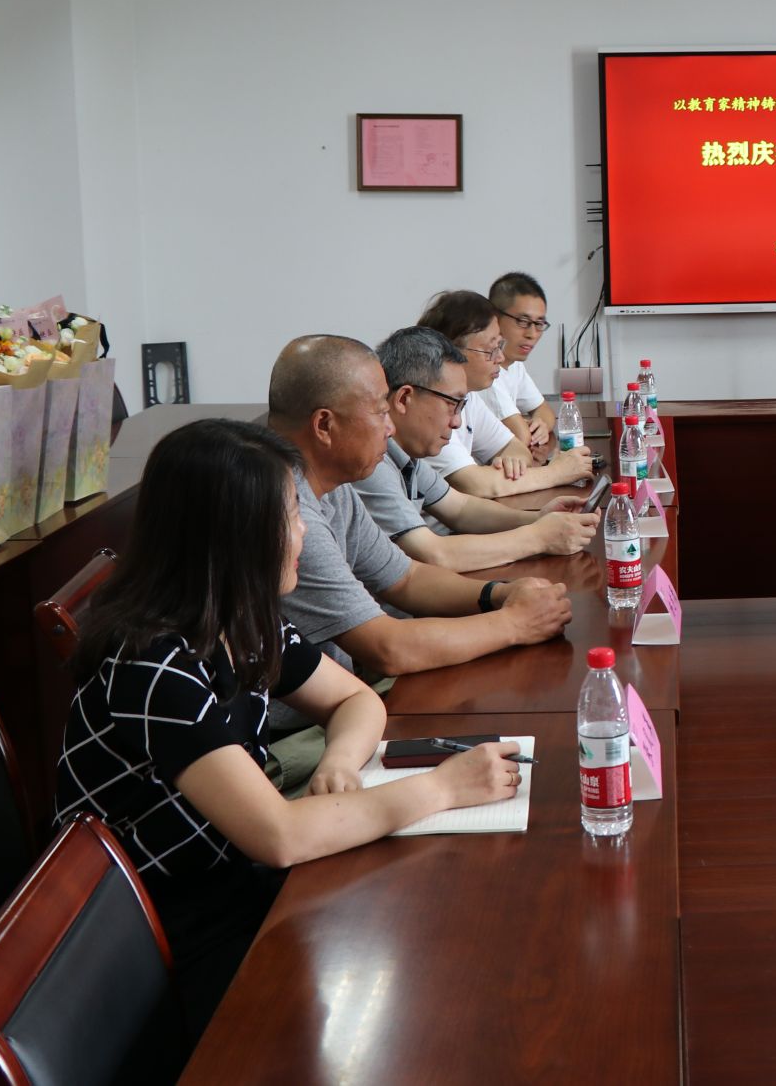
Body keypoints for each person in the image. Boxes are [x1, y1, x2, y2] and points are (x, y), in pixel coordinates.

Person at [55, 418, 522, 1050]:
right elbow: (280, 837)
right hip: (157, 937)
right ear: (231, 535)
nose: (303, 532)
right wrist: (441, 789)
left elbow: (355, 699)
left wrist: (340, 762)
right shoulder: (153, 663)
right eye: (290, 516)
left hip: (229, 879)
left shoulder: (239, 616)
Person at [267, 334, 573, 685]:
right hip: (313, 715)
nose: (390, 428)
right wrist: (516, 623)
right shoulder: (288, 512)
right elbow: (387, 649)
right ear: (324, 425)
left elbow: (407, 578)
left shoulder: (333, 485)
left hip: (345, 698)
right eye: (381, 412)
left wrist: (500, 593)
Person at [353, 327, 599, 572]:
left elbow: (461, 509)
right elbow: (434, 555)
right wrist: (540, 537)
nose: (457, 422)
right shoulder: (371, 462)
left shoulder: (406, 454)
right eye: (451, 404)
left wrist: (539, 519)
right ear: (404, 398)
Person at [418, 290, 593, 498]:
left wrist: (510, 467)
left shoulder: (469, 397)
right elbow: (474, 484)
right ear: (452, 352)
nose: (500, 358)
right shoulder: (428, 407)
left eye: (499, 346)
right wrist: (558, 472)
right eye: (491, 349)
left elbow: (517, 449)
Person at [487, 271, 558, 450]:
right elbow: (522, 436)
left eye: (539, 324)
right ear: (495, 317)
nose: (532, 334)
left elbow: (545, 411)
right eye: (522, 321)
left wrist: (540, 424)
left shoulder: (514, 364)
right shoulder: (485, 372)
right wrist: (530, 429)